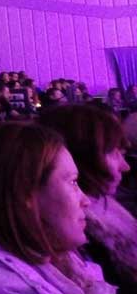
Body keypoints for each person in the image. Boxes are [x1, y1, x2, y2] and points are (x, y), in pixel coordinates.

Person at [0, 123, 115, 294]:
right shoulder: (0, 289)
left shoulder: (47, 246)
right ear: (24, 192)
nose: (86, 200)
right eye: (73, 182)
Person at [39, 105, 137, 292]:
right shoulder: (78, 237)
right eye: (113, 153)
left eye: (122, 154)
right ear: (82, 159)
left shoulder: (105, 207)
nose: (125, 166)